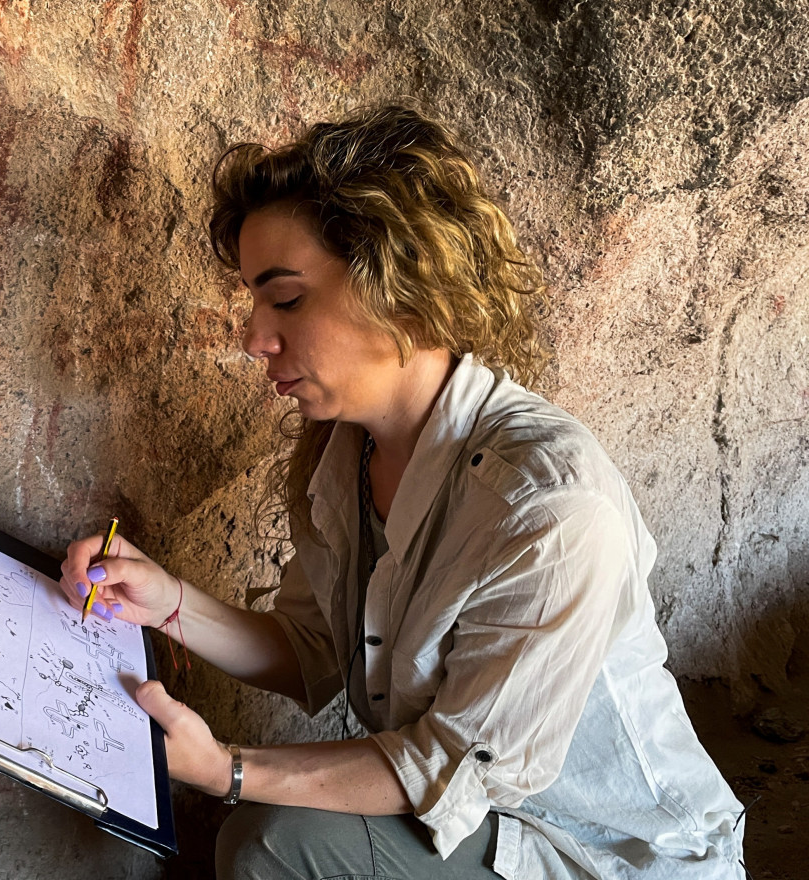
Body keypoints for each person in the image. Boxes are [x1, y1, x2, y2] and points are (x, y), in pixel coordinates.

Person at [59, 105, 745, 879]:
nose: (255, 337)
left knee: (270, 845)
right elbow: (313, 649)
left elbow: (454, 765)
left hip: (598, 850)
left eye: (285, 299)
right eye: (255, 303)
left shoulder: (549, 505)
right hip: (478, 817)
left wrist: (228, 770)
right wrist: (167, 603)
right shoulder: (347, 447)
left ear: (399, 283)